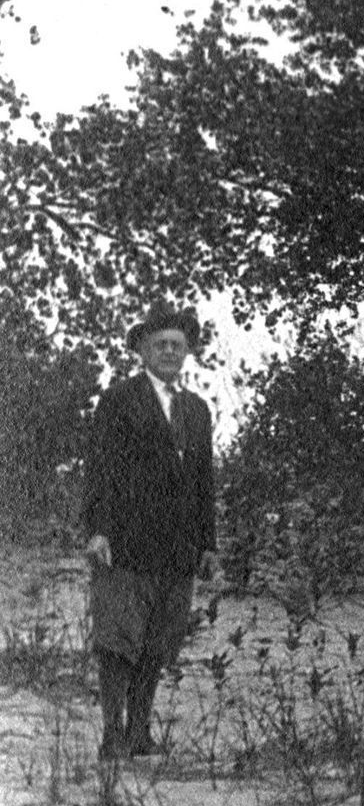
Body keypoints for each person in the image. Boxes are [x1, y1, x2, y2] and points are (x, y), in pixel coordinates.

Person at [81, 305, 216, 759]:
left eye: (177, 345)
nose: (170, 351)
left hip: (177, 547)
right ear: (142, 350)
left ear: (187, 351)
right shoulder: (119, 400)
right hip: (126, 541)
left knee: (159, 642)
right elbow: (100, 469)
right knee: (118, 640)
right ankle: (112, 735)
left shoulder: (197, 410)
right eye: (161, 344)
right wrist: (98, 530)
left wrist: (208, 544)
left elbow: (203, 482)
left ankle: (140, 734)